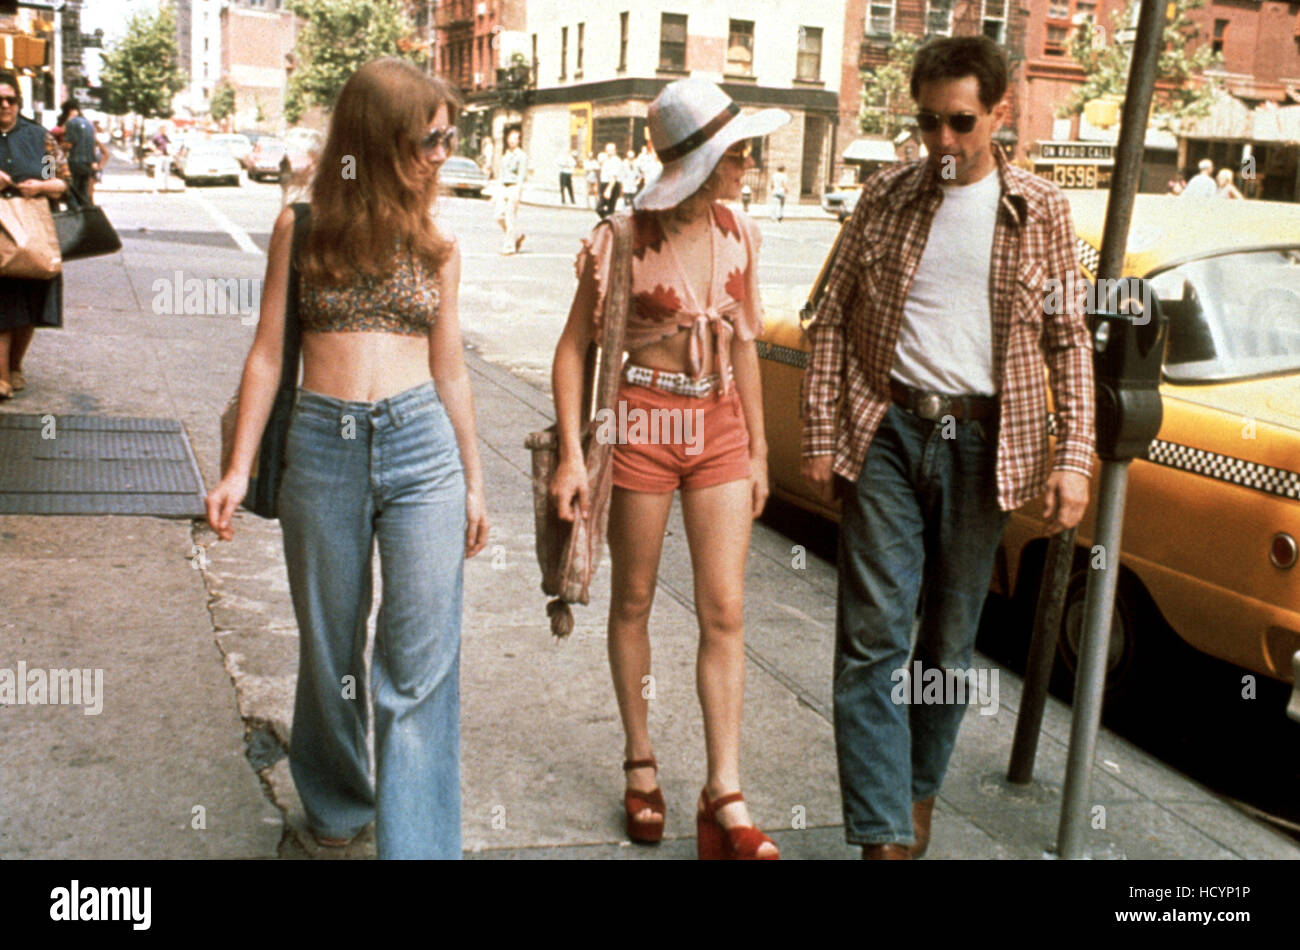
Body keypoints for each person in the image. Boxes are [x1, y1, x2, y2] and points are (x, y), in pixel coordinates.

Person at [801, 36, 1095, 860]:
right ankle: (884, 836)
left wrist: (1073, 458)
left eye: (961, 122)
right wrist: (824, 435)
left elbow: (1068, 338)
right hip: (888, 430)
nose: (942, 141)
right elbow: (832, 319)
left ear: (1002, 112)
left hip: (985, 443)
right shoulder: (885, 196)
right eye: (929, 122)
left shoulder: (1041, 211)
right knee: (872, 639)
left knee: (948, 645)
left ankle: (917, 792)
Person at [205, 58, 489, 860]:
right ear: (379, 139)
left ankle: (419, 847)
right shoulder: (302, 227)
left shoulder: (439, 243)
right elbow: (268, 356)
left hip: (421, 447)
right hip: (322, 449)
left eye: (448, 136)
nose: (443, 152)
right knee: (330, 646)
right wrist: (237, 468)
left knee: (419, 662)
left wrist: (473, 479)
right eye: (430, 138)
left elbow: (452, 368)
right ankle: (335, 803)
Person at [549, 78, 789, 859]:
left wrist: (756, 449)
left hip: (716, 421)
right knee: (636, 597)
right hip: (641, 421)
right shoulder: (620, 237)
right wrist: (568, 455)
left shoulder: (740, 232)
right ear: (704, 160)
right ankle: (640, 761)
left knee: (725, 610)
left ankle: (725, 789)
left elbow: (745, 341)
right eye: (737, 153)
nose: (748, 164)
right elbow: (573, 347)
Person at [0, 73, 69, 400]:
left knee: (28, 307)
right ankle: (1, 376)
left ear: (18, 103)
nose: (4, 105)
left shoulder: (37, 137)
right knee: (3, 307)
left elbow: (61, 182)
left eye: (10, 99)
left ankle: (14, 366)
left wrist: (39, 185)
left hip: (33, 234)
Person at [59, 100, 98, 205]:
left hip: (75, 162)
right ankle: (84, 217)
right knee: (83, 193)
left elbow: (70, 143)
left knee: (73, 192)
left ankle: (75, 215)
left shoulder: (71, 123)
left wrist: (58, 150)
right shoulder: (89, 124)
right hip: (88, 163)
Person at [496, 125, 527, 254]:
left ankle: (509, 247)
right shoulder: (506, 155)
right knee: (498, 216)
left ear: (519, 141)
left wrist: (518, 191)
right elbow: (501, 173)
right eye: (510, 138)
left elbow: (521, 175)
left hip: (514, 187)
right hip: (504, 187)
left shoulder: (521, 156)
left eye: (515, 139)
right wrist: (497, 191)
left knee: (510, 217)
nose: (512, 141)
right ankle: (517, 236)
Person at [596, 142, 623, 219]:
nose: (609, 152)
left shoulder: (616, 160)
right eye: (608, 150)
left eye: (611, 150)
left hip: (612, 185)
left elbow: (614, 177)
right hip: (604, 184)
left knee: (610, 209)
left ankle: (610, 223)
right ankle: (608, 221)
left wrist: (609, 190)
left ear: (615, 151)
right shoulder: (605, 159)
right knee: (599, 208)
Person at [149, 126, 171, 193]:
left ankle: (166, 187)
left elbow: (169, 144)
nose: (165, 131)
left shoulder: (166, 137)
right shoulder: (157, 137)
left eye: (166, 130)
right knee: (158, 172)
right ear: (160, 130)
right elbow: (150, 144)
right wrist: (155, 150)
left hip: (166, 156)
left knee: (167, 172)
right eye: (164, 130)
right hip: (160, 156)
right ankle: (155, 188)